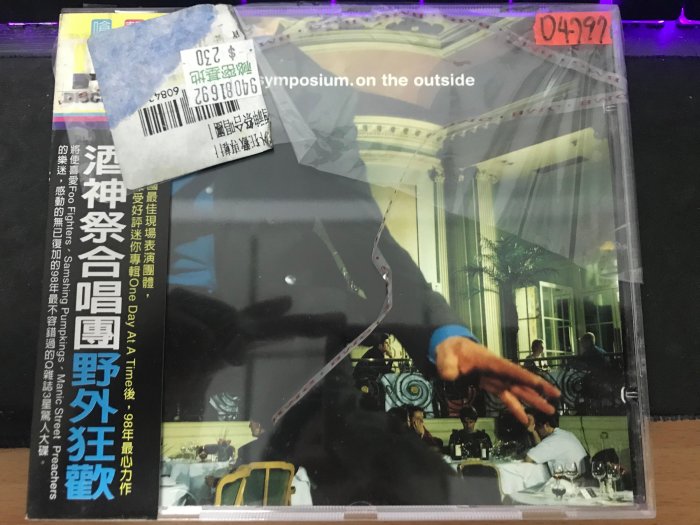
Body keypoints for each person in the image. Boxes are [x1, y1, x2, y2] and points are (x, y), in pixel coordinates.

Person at [163, 39, 560, 505]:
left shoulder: (312, 93)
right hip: (156, 332)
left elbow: (368, 242)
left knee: (391, 475)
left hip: (286, 335)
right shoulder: (149, 65)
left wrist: (442, 333)